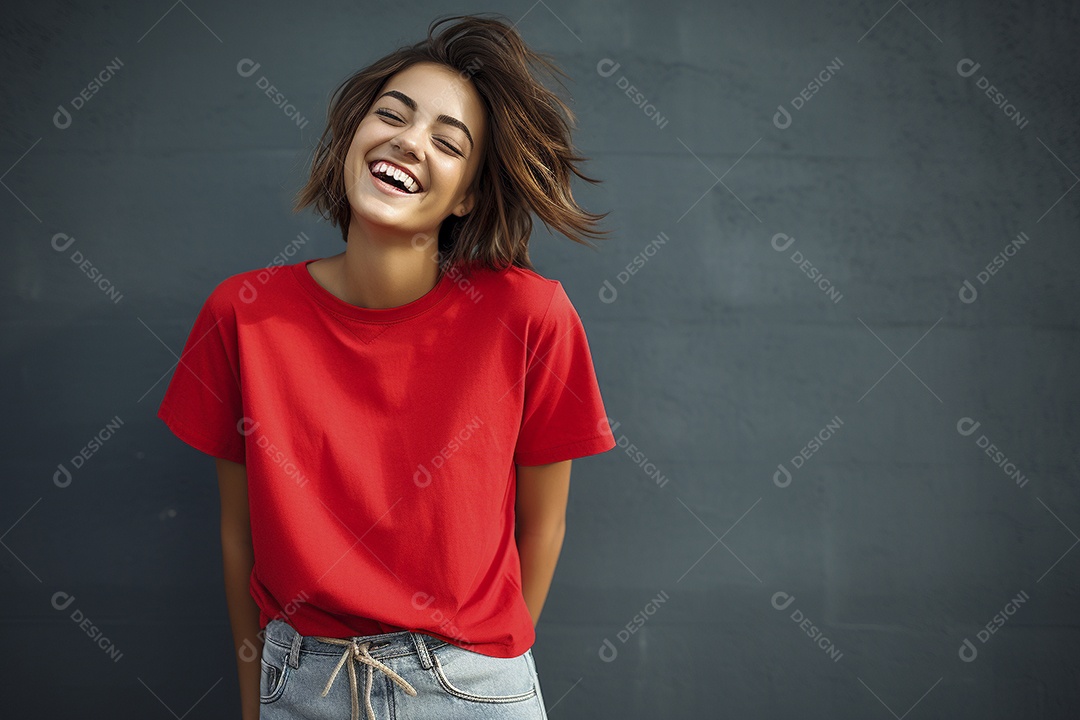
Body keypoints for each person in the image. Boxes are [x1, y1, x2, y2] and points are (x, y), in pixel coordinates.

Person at [157, 13, 616, 720]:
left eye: (447, 140)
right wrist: (255, 702)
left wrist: (479, 667)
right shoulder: (242, 315)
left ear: (466, 194)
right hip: (298, 684)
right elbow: (237, 535)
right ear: (353, 140)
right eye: (391, 115)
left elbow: (544, 525)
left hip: (471, 686)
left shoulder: (531, 318)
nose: (408, 140)